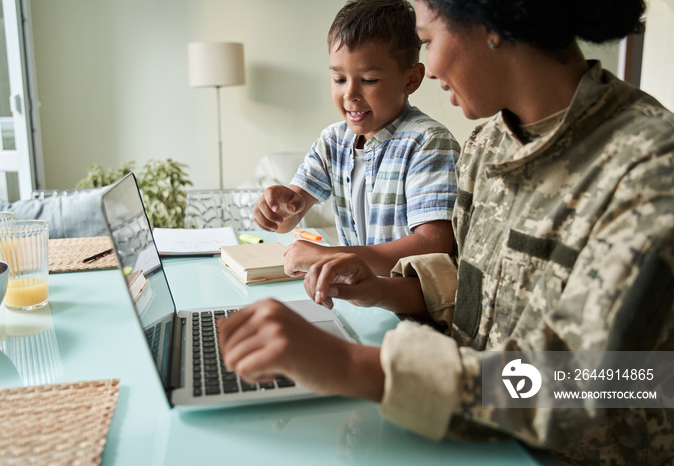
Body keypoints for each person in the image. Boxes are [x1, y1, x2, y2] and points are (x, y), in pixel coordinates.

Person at [219, 0, 674, 463]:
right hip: (471, 439)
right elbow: (475, 303)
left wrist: (351, 365)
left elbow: (595, 380)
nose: (430, 69)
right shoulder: (487, 146)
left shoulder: (650, 169)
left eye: (429, 40)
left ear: (491, 24)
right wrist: (379, 287)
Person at [253, 0, 460, 277]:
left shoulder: (427, 143)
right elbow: (290, 218)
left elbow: (433, 244)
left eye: (369, 80)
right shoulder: (333, 142)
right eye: (339, 79)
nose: (350, 94)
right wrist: (278, 210)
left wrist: (334, 256)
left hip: (410, 305)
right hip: (358, 295)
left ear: (411, 80)